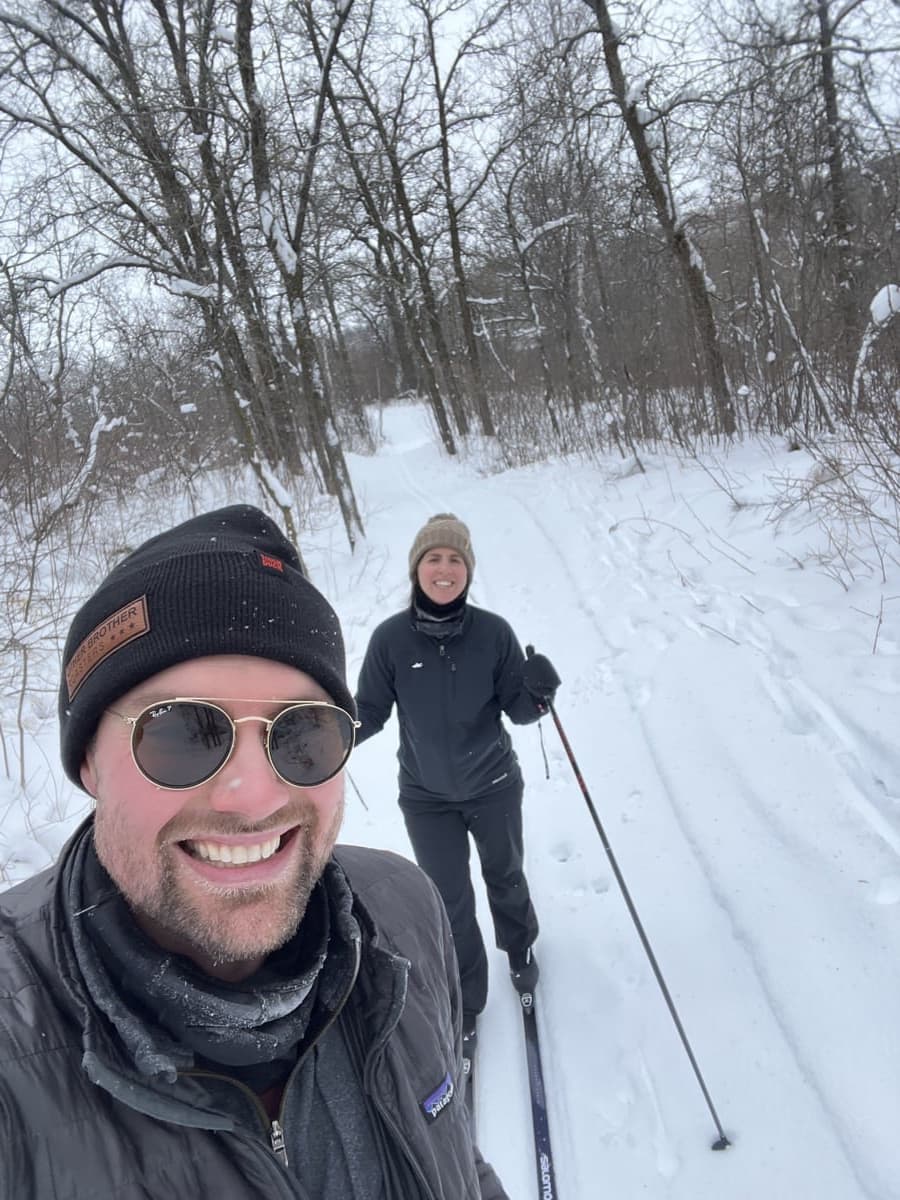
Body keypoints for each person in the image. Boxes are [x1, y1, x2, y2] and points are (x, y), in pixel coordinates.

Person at [0, 505, 509, 1200]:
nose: (252, 797)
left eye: (302, 733)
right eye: (182, 731)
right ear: (88, 760)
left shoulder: (405, 912)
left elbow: (461, 1167)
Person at [354, 514, 560, 1056]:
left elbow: (519, 710)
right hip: (426, 798)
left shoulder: (493, 634)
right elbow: (369, 711)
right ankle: (467, 996)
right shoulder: (390, 640)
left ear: (467, 570)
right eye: (433, 559)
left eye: (455, 560)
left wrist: (539, 693)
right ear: (416, 569)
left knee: (505, 873)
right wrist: (325, 734)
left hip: (492, 785)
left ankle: (519, 948)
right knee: (447, 899)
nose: (444, 570)